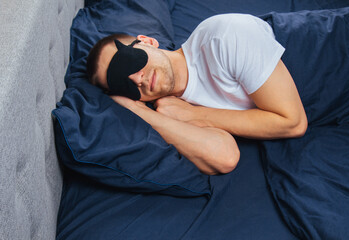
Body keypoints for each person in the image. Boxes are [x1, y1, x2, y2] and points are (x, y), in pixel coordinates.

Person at [86, 14, 308, 175]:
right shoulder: (170, 110)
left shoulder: (222, 38)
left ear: (147, 41)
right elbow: (225, 156)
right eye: (122, 84)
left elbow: (293, 122)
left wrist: (195, 116)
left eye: (127, 63)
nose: (136, 79)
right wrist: (138, 111)